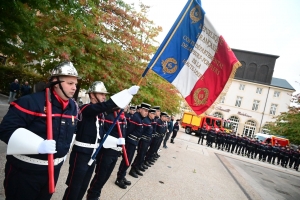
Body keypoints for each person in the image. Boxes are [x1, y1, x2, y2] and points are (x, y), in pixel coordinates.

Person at [0, 61, 80, 200]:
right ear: (55, 82)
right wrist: (37, 145)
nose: (74, 88)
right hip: (25, 172)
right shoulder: (30, 102)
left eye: (75, 84)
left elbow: (72, 130)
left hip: (53, 171)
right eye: (70, 83)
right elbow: (6, 129)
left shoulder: (73, 106)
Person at [63, 81, 139, 200]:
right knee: (74, 187)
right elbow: (107, 105)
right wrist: (127, 92)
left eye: (105, 94)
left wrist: (128, 96)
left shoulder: (101, 113)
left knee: (83, 186)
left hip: (93, 154)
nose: (104, 96)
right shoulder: (86, 108)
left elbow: (113, 107)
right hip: (81, 154)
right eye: (101, 94)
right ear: (92, 95)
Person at [115, 103, 150, 189]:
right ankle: (119, 178)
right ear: (141, 109)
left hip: (134, 142)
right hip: (130, 142)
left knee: (128, 161)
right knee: (126, 161)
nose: (146, 113)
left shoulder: (140, 118)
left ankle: (122, 176)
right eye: (145, 110)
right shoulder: (136, 118)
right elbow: (129, 131)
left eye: (147, 111)